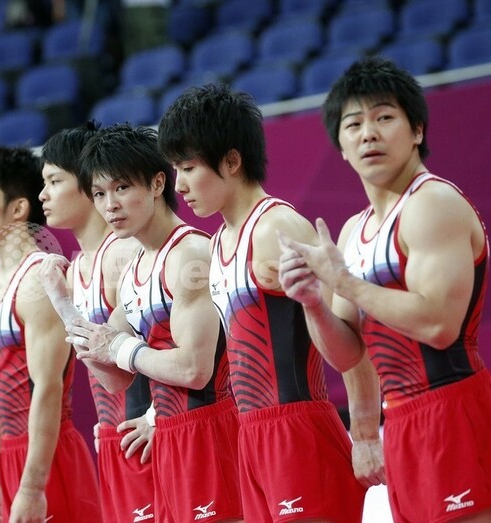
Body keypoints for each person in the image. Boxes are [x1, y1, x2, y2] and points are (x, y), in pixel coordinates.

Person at [277, 56, 491, 523]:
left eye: (384, 118)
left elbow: (438, 325)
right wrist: (312, 302)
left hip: (454, 406)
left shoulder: (432, 203)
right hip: (402, 421)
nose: (368, 134)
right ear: (341, 145)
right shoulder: (354, 231)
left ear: (417, 130)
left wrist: (343, 282)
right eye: (353, 124)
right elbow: (347, 354)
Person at [157, 82, 376, 522]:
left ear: (231, 161)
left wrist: (366, 431)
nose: (179, 186)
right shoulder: (218, 243)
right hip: (250, 437)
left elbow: (352, 339)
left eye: (189, 168)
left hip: (298, 431)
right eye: (175, 170)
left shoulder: (278, 229)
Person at [56, 124, 243, 522]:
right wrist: (63, 305)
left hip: (210, 430)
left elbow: (194, 369)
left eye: (122, 188)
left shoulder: (190, 254)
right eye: (100, 194)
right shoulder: (136, 269)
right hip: (171, 439)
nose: (110, 205)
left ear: (158, 183)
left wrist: (121, 348)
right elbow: (113, 378)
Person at [0, 145, 101, 523]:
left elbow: (48, 387)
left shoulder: (39, 279)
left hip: (48, 453)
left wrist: (32, 487)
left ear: (18, 209)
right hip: (9, 455)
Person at [38, 122, 155, 523]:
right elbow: (105, 371)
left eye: (54, 181)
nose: (43, 194)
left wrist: (158, 416)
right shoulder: (75, 269)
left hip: (149, 431)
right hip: (115, 435)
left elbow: (172, 340)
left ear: (88, 184)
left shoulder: (124, 253)